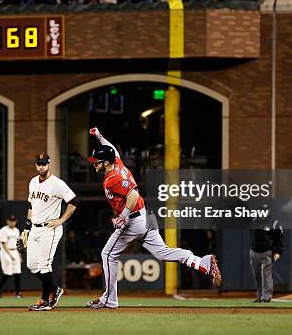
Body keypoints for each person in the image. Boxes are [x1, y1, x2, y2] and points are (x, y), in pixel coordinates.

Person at [86, 128, 221, 310]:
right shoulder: (116, 162)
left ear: (106, 162)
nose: (95, 165)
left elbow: (133, 194)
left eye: (97, 162)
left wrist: (123, 217)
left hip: (134, 221)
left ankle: (109, 299)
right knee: (163, 252)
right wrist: (99, 136)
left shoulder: (113, 178)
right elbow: (110, 148)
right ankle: (202, 263)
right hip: (147, 216)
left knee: (107, 254)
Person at [17, 153, 78, 311]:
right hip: (35, 229)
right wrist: (26, 228)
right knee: (31, 265)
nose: (41, 166)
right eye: (39, 163)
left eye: (44, 164)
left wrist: (61, 220)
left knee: (44, 265)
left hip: (50, 229)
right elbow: (31, 206)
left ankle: (44, 301)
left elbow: (73, 202)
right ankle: (55, 289)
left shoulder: (57, 183)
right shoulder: (32, 182)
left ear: (49, 164)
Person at [250, 218, 283, 303]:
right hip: (254, 252)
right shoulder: (254, 221)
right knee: (257, 275)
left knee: (266, 275)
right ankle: (260, 296)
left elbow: (279, 237)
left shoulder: (274, 222)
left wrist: (278, 251)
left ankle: (266, 297)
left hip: (266, 252)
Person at [0, 215, 22, 298]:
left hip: (15, 251)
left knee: (17, 272)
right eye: (10, 220)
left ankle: (17, 293)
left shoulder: (17, 230)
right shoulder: (3, 230)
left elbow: (18, 244)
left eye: (13, 220)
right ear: (7, 221)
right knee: (8, 272)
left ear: (16, 221)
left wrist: (19, 255)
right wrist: (10, 255)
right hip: (6, 251)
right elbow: (3, 243)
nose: (12, 222)